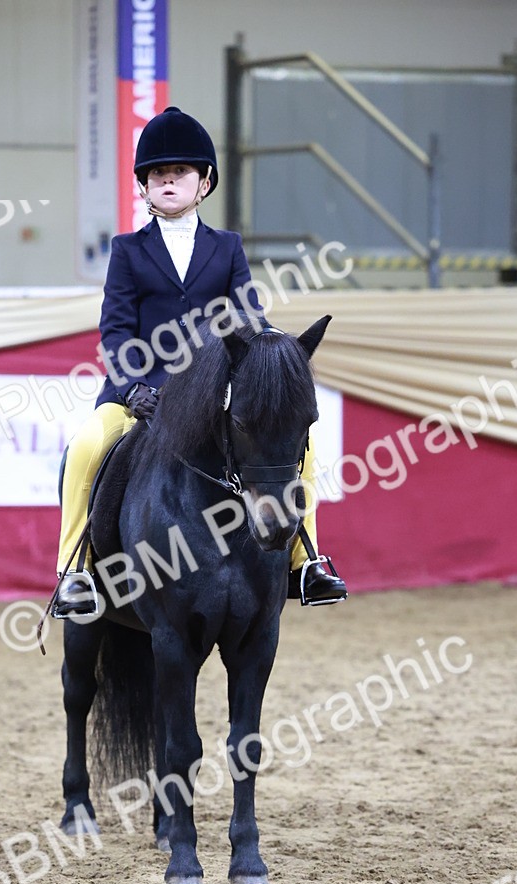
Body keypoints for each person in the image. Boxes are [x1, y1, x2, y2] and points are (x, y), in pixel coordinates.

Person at [53, 106, 347, 617]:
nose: (168, 180)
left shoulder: (227, 247)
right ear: (143, 186)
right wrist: (130, 387)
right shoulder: (127, 250)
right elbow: (117, 330)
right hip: (140, 394)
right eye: (157, 174)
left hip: (214, 396)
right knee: (86, 445)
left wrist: (269, 349)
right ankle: (74, 571)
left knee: (307, 444)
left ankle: (307, 560)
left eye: (180, 173)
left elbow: (247, 317)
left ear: (204, 182)